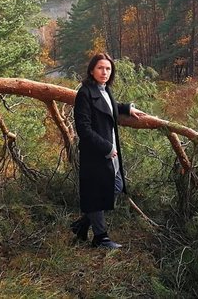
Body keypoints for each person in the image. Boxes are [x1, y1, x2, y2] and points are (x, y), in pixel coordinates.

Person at [70, 53, 143, 249]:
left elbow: (109, 108)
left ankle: (82, 224)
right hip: (96, 153)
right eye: (101, 68)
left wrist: (127, 108)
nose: (105, 72)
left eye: (108, 69)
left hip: (110, 151)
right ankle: (100, 238)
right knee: (97, 192)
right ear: (92, 70)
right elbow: (83, 129)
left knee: (116, 186)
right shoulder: (84, 94)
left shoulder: (105, 90)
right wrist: (106, 147)